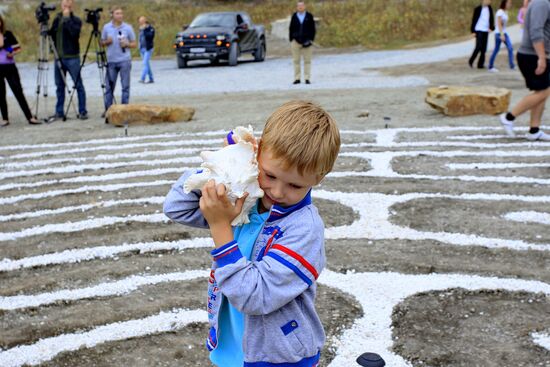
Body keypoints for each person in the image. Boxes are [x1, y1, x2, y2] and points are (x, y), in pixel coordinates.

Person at [164, 100, 341, 366]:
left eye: (294, 184)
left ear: (319, 177)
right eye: (269, 176)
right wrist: (227, 165)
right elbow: (176, 206)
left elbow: (255, 296)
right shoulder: (248, 199)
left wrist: (221, 227)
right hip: (233, 347)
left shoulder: (304, 229)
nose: (278, 192)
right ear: (257, 155)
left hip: (279, 358)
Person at [499, 0, 550, 141]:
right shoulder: (542, 3)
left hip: (537, 54)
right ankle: (508, 117)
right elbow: (536, 31)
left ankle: (534, 130)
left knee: (541, 91)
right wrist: (541, 57)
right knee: (544, 91)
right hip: (532, 55)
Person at [49, 0, 88, 121]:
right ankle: (59, 111)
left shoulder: (76, 20)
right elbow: (52, 34)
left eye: (69, 6)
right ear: (61, 6)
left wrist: (66, 20)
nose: (66, 8)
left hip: (72, 57)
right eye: (64, 6)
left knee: (78, 84)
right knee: (59, 85)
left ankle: (82, 111)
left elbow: (74, 34)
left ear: (72, 7)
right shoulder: (57, 19)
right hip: (58, 57)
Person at [0, 15, 41, 127]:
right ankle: (4, 118)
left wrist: (11, 53)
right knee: (1, 94)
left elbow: (18, 48)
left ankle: (30, 117)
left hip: (9, 67)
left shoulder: (7, 34)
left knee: (18, 91)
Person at [101, 6, 136, 112]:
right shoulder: (106, 27)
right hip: (111, 61)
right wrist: (107, 42)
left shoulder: (128, 28)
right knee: (109, 88)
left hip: (124, 60)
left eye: (121, 13)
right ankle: (108, 110)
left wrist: (127, 44)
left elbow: (134, 43)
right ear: (112, 15)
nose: (120, 15)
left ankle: (124, 110)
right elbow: (101, 42)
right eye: (117, 13)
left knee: (125, 87)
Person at [289, 1, 316, 84]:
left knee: (307, 61)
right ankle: (297, 78)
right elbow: (291, 28)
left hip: (307, 42)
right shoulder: (294, 16)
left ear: (305, 6)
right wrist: (291, 39)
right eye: (299, 6)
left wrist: (310, 39)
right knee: (296, 61)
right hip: (295, 42)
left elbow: (313, 29)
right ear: (297, 7)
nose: (300, 7)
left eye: (302, 5)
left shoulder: (309, 16)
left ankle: (307, 78)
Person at [488, 0, 515, 72]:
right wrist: (502, 35)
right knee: (497, 50)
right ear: (505, 3)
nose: (510, 5)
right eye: (509, 3)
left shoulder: (504, 12)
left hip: (504, 33)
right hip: (499, 34)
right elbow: (499, 24)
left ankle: (512, 65)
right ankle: (490, 67)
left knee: (510, 48)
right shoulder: (500, 12)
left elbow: (503, 24)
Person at [469, 0, 495, 69]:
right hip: (478, 30)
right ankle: (471, 60)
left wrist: (491, 28)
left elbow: (491, 19)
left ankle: (480, 64)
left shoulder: (489, 9)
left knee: (484, 49)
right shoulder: (477, 9)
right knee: (478, 47)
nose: (489, 1)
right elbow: (474, 20)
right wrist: (473, 31)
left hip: (485, 30)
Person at [138, 16, 155, 84]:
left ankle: (142, 78)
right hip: (142, 48)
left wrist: (145, 29)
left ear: (145, 21)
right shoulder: (140, 29)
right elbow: (140, 38)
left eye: (141, 21)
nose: (140, 23)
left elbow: (150, 36)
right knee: (147, 64)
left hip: (148, 49)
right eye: (139, 21)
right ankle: (151, 78)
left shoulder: (150, 28)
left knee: (144, 63)